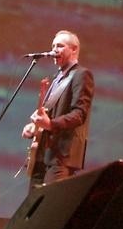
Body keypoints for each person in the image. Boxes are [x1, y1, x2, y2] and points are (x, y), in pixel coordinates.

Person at [21, 30, 94, 185]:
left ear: (74, 49)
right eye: (53, 46)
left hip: (61, 156)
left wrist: (50, 124)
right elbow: (48, 113)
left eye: (60, 46)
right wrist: (34, 126)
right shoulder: (56, 78)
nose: (54, 50)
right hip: (42, 154)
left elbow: (79, 114)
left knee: (51, 206)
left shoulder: (82, 74)